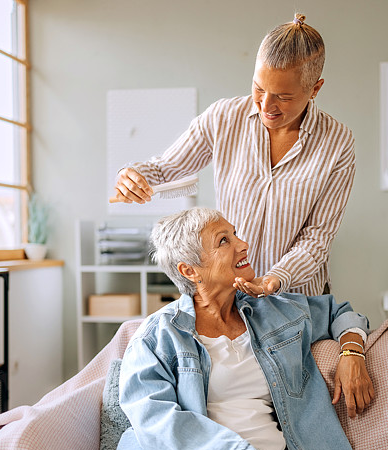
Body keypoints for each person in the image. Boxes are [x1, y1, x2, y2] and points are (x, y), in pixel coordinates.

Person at [112, 207, 374, 450]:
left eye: (235, 233)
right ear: (190, 270)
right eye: (224, 240)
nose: (243, 244)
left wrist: (352, 351)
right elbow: (158, 424)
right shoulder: (157, 338)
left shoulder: (275, 312)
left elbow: (340, 312)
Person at [111, 14, 355, 298]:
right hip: (232, 297)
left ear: (315, 89)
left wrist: (275, 279)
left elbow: (317, 239)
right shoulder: (224, 117)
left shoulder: (337, 142)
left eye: (283, 97)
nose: (266, 105)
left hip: (297, 299)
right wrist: (133, 175)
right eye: (259, 88)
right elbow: (165, 168)